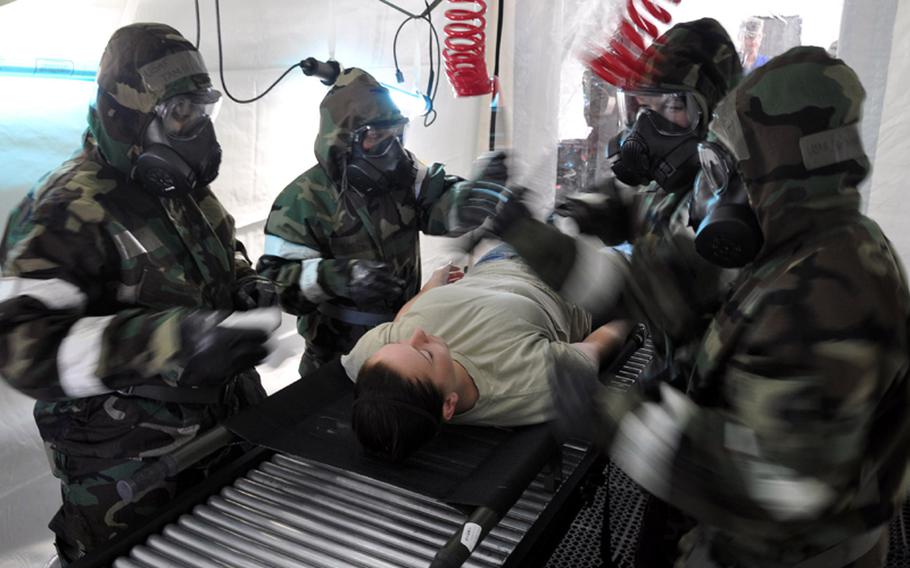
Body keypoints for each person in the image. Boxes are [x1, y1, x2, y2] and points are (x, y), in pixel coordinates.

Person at [559, 46, 910, 568]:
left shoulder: (837, 284)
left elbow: (774, 482)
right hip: (731, 520)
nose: (713, 189)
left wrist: (611, 414)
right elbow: (659, 285)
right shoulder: (782, 241)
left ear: (777, 171)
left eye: (725, 166)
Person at [0, 24, 278, 563]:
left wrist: (246, 285)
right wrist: (173, 342)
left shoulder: (180, 187)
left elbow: (223, 255)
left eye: (203, 111)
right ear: (124, 114)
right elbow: (21, 348)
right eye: (180, 113)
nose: (196, 130)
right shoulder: (66, 208)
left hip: (223, 431)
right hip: (129, 470)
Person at [500, 18, 743, 387]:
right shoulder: (673, 182)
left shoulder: (731, 208)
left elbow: (637, 292)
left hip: (713, 395)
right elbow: (623, 201)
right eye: (642, 106)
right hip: (673, 370)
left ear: (714, 111)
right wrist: (574, 214)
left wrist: (525, 233)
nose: (647, 125)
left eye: (671, 106)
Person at [258, 67, 508, 378]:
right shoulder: (304, 198)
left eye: (394, 133)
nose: (389, 147)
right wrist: (341, 277)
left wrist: (471, 197)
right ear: (344, 139)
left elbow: (440, 205)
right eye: (375, 136)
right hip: (335, 356)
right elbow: (277, 281)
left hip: (402, 340)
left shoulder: (405, 173)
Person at [341, 249, 631, 461]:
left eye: (405, 343)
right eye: (426, 355)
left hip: (494, 259)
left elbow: (403, 320)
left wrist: (434, 282)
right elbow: (595, 347)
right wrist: (634, 313)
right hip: (570, 275)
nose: (419, 335)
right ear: (448, 406)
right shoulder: (524, 383)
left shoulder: (372, 359)